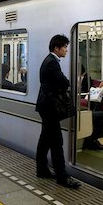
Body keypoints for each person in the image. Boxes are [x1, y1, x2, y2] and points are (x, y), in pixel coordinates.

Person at [35, 34, 81, 189]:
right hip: (50, 107)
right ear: (57, 48)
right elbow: (64, 81)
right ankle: (62, 177)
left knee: (45, 139)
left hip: (45, 106)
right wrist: (67, 82)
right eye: (65, 47)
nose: (67, 50)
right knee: (56, 142)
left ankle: (41, 169)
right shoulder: (52, 63)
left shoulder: (49, 61)